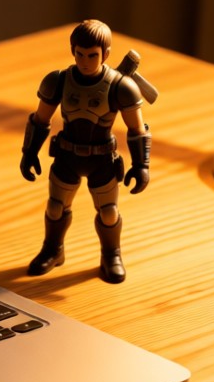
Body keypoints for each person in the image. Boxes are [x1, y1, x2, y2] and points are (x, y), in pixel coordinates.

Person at [20, 20, 151, 283]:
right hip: (67, 156)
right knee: (56, 207)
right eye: (80, 54)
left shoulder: (120, 86)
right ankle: (53, 250)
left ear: (106, 54)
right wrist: (29, 151)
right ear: (72, 51)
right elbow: (40, 119)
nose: (85, 61)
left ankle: (111, 254)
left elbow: (137, 129)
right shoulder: (58, 81)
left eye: (93, 55)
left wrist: (141, 165)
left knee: (109, 212)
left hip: (102, 159)